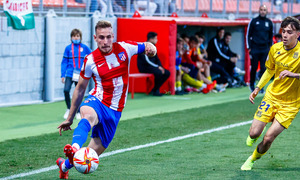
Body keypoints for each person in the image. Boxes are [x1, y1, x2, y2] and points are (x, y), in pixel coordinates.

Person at [56, 20, 157, 179]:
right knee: (88, 116)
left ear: (113, 36)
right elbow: (81, 88)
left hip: (115, 111)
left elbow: (146, 46)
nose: (105, 41)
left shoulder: (125, 48)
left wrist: (151, 49)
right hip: (97, 101)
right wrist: (70, 118)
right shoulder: (90, 60)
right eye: (101, 38)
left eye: (108, 37)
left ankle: (64, 165)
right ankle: (74, 147)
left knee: (88, 158)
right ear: (95, 38)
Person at [241, 16, 300, 171]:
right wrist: (257, 88)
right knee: (254, 133)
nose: (285, 35)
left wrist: (293, 74)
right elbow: (269, 70)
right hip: (272, 96)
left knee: (268, 138)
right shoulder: (275, 48)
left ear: (298, 34)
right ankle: (253, 136)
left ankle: (251, 159)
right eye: (283, 32)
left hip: (291, 104)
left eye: (289, 32)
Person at [61, 29, 92, 120]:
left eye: (78, 36)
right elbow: (64, 62)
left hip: (79, 75)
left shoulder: (85, 47)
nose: (76, 38)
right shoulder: (68, 48)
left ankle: (78, 111)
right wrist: (62, 74)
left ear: (80, 37)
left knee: (78, 93)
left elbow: (92, 56)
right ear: (71, 37)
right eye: (74, 36)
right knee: (66, 90)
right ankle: (68, 108)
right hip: (69, 74)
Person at [246, 4, 273, 93]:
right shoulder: (253, 21)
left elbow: (270, 36)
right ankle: (251, 85)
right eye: (261, 10)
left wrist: (270, 48)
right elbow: (248, 35)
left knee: (263, 68)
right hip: (255, 48)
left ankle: (260, 87)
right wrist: (249, 47)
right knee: (253, 68)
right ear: (259, 10)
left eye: (264, 10)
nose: (262, 11)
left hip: (264, 49)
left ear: (266, 11)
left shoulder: (269, 22)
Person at [137, 32, 170, 96]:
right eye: (155, 38)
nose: (157, 40)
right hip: (144, 67)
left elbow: (157, 59)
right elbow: (147, 60)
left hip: (152, 67)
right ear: (151, 39)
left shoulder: (153, 47)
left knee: (167, 73)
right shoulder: (144, 46)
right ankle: (156, 91)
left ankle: (155, 89)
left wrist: (161, 67)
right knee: (159, 72)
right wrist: (158, 67)